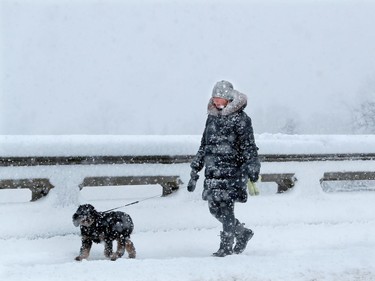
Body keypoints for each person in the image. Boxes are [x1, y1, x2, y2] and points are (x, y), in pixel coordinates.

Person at [187, 80, 260, 257]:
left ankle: (226, 246)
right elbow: (204, 145)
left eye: (220, 100)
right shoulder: (211, 118)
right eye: (214, 100)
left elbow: (248, 146)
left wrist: (252, 166)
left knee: (227, 209)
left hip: (233, 171)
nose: (217, 103)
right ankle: (242, 233)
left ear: (229, 99)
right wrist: (195, 168)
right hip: (212, 171)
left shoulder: (241, 119)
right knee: (214, 209)